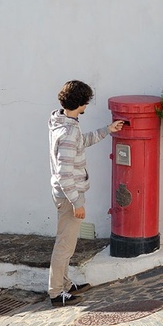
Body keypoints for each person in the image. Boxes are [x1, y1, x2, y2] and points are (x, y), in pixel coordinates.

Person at [48, 80, 124, 307]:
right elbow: (64, 174)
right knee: (65, 245)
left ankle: (65, 284)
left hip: (65, 193)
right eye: (86, 102)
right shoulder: (69, 131)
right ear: (81, 103)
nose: (87, 106)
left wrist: (107, 131)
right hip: (69, 195)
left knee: (67, 243)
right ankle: (55, 293)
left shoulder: (61, 120)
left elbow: (80, 143)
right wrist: (76, 203)